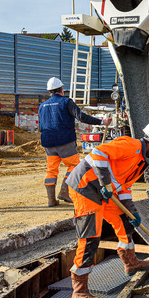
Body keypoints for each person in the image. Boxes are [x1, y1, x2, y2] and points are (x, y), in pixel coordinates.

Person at [66, 121, 149, 298]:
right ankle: (79, 292)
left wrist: (132, 212)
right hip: (86, 188)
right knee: (90, 239)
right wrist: (105, 184)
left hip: (105, 193)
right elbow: (98, 153)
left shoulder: (140, 161)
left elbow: (124, 188)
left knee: (125, 222)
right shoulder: (131, 145)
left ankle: (131, 263)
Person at [38, 77, 111, 207]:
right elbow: (81, 117)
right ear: (61, 90)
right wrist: (102, 122)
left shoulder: (42, 106)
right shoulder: (66, 102)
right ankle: (64, 192)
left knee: (51, 170)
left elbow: (42, 125)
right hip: (64, 140)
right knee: (75, 166)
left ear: (49, 91)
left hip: (48, 142)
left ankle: (51, 200)